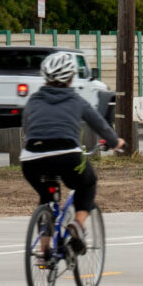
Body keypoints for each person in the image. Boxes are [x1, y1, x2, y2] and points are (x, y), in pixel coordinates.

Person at [19, 53, 117, 241]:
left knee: (47, 197)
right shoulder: (76, 100)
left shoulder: (33, 101)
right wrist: (115, 142)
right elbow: (99, 124)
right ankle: (77, 225)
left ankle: (44, 250)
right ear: (71, 77)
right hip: (67, 156)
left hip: (31, 160)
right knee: (87, 183)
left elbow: (27, 127)